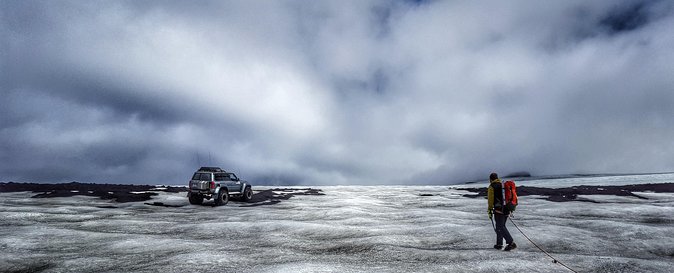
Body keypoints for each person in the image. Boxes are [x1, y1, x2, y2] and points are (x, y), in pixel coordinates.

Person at [487, 172, 517, 251]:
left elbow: (490, 200)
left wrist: (489, 209)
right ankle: (499, 243)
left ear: (490, 179)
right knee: (500, 226)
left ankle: (511, 243)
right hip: (506, 208)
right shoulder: (502, 185)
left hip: (499, 210)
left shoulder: (492, 186)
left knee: (500, 226)